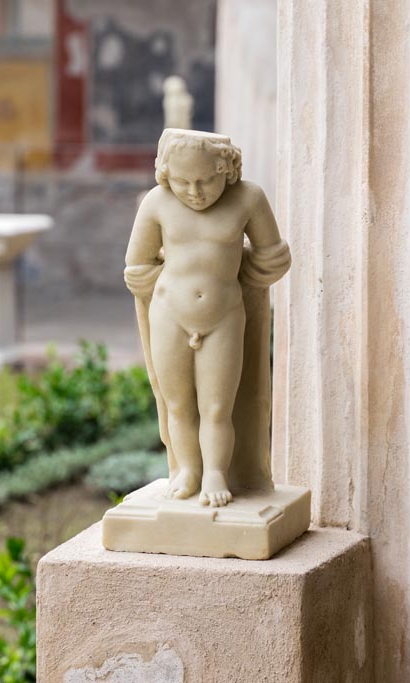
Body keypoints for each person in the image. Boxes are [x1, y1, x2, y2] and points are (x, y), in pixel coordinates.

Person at [125, 129, 290, 507]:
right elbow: (136, 265)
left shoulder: (248, 199)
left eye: (206, 180)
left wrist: (240, 280)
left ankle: (215, 471)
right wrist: (169, 290)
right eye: (182, 181)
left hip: (224, 317)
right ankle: (188, 470)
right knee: (178, 404)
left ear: (227, 171)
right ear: (166, 174)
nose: (194, 191)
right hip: (170, 315)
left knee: (218, 407)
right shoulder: (157, 203)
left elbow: (274, 256)